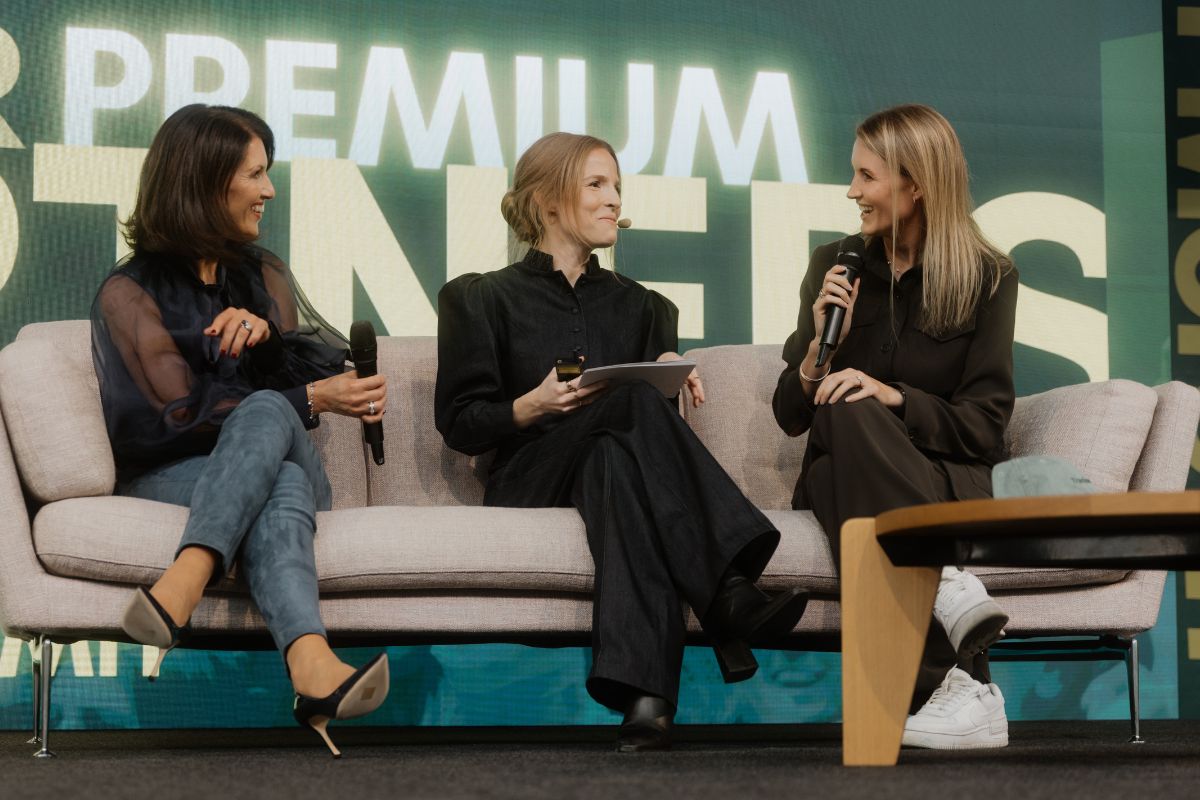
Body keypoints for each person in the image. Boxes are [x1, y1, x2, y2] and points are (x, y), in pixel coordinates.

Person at [435, 132, 808, 752]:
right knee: (629, 402)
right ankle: (726, 592)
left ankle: (646, 700)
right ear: (549, 202)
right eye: (596, 185)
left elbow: (647, 443)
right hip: (529, 477)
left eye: (616, 187)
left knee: (612, 458)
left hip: (606, 475)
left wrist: (664, 369)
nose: (614, 199)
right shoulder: (481, 296)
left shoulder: (644, 307)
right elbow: (461, 422)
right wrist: (532, 404)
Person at [91, 104, 390, 757]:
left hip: (275, 468)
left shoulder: (263, 275)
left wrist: (268, 338)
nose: (269, 190)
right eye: (255, 174)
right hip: (171, 476)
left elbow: (321, 366)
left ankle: (183, 583)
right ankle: (313, 669)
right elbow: (174, 420)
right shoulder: (130, 293)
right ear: (204, 181)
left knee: (267, 414)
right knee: (278, 472)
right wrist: (301, 397)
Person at [772, 104, 1018, 750]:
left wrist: (896, 397)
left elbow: (984, 427)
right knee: (841, 403)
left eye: (866, 176)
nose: (851, 191)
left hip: (945, 478)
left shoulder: (989, 277)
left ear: (916, 185)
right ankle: (952, 611)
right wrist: (819, 351)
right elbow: (790, 413)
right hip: (861, 471)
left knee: (844, 437)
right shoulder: (835, 261)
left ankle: (953, 683)